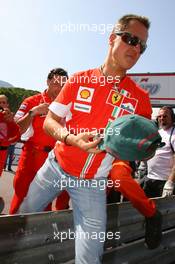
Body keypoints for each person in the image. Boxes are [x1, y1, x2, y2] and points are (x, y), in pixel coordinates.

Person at [18, 15, 161, 263]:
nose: (136, 48)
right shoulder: (78, 80)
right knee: (21, 218)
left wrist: (140, 148)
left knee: (90, 259)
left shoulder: (141, 99)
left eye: (142, 45)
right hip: (54, 167)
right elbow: (51, 121)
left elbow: (144, 148)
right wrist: (70, 138)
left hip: (93, 184)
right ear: (112, 38)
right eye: (131, 39)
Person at [9, 68, 69, 214]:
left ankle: (38, 236)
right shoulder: (31, 101)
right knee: (21, 197)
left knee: (44, 204)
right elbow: (16, 131)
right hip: (31, 157)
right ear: (48, 81)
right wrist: (33, 113)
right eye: (56, 83)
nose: (60, 88)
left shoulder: (67, 106)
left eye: (63, 84)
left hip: (54, 160)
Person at [144, 106, 175, 197]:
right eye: (159, 116)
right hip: (150, 179)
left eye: (165, 116)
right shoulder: (158, 133)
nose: (161, 118)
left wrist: (170, 182)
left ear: (172, 118)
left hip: (164, 182)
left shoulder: (173, 135)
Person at [0, 95, 20, 177]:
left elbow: (16, 136)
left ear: (7, 105)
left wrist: (11, 122)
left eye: (3, 102)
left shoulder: (10, 118)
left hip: (2, 153)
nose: (1, 104)